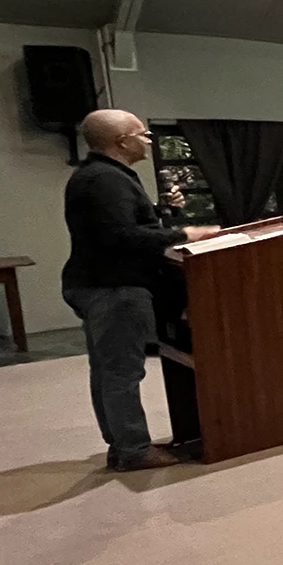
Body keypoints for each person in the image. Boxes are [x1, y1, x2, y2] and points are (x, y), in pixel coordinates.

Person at [61, 110, 221, 471]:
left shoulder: (100, 175)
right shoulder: (105, 179)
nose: (148, 140)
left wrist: (160, 210)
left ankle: (122, 444)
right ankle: (134, 450)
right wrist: (186, 234)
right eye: (143, 134)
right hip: (114, 288)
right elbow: (121, 237)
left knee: (106, 369)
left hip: (98, 284)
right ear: (122, 141)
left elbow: (119, 225)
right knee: (120, 371)